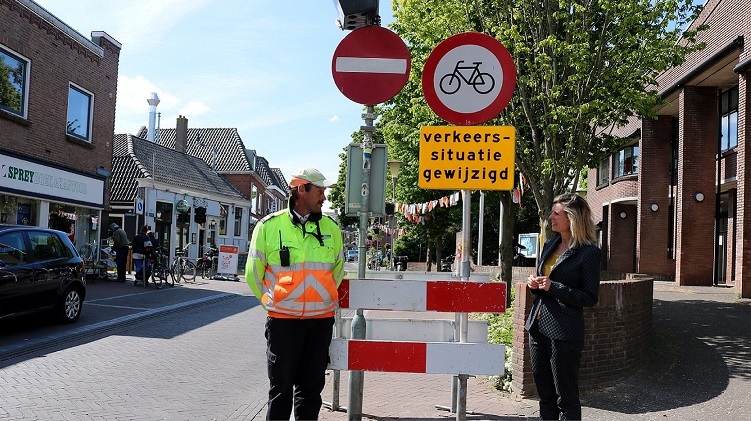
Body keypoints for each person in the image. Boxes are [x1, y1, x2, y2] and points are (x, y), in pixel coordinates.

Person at [245, 167, 344, 421]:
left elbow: (338, 270)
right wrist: (274, 305)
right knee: (280, 392)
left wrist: (322, 303)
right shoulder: (268, 227)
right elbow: (253, 275)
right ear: (302, 190)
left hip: (320, 324)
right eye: (319, 191)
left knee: (311, 393)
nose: (324, 197)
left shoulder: (331, 228)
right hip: (283, 325)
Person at [524, 193, 601, 420]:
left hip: (564, 332)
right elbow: (543, 287)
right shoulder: (549, 244)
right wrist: (534, 285)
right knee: (544, 394)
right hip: (537, 328)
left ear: (572, 218)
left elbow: (589, 297)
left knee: (565, 397)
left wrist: (553, 286)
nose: (550, 218)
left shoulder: (588, 253)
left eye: (556, 214)